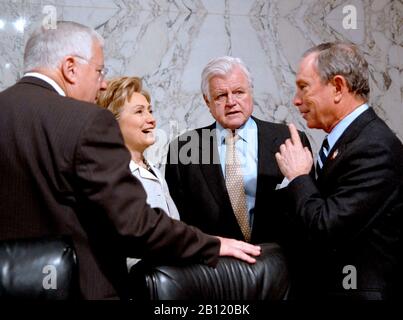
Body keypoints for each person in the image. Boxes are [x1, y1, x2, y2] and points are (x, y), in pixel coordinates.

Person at [0, 21, 261, 300]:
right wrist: (210, 244)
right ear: (70, 68)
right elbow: (134, 225)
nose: (102, 85)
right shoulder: (86, 120)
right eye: (99, 71)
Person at [275, 41, 403, 300]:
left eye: (303, 87)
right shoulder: (347, 141)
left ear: (337, 87)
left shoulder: (376, 146)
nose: (296, 100)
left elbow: (326, 229)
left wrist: (299, 177)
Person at [165, 56, 312, 244]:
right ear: (207, 101)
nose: (231, 102)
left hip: (280, 264)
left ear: (251, 93)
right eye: (220, 96)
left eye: (239, 92)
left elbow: (308, 211)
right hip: (214, 268)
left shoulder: (290, 140)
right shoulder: (184, 147)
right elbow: (179, 223)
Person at [97, 76, 180, 270]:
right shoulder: (112, 175)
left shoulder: (154, 170)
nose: (151, 119)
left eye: (150, 111)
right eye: (139, 112)